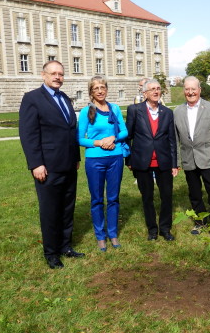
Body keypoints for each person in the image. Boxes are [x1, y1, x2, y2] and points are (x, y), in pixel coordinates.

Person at [19, 60, 83, 269]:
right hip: (47, 167)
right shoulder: (32, 98)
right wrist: (36, 164)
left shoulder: (64, 98)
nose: (58, 77)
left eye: (61, 74)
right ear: (43, 75)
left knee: (67, 207)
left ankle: (65, 246)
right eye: (54, 73)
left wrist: (76, 158)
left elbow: (70, 130)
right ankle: (51, 253)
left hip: (68, 164)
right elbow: (28, 134)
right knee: (50, 210)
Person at [78, 77, 128, 252]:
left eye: (102, 87)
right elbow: (79, 138)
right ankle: (100, 235)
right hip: (95, 160)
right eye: (96, 88)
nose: (100, 91)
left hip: (115, 158)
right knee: (97, 199)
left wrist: (113, 137)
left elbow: (125, 131)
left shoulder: (115, 108)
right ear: (91, 92)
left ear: (107, 89)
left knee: (113, 198)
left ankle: (112, 233)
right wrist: (99, 143)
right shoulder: (86, 111)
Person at [126, 79, 179, 241]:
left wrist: (174, 163)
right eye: (152, 89)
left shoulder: (167, 112)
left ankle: (165, 229)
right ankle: (152, 230)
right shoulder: (135, 110)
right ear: (145, 93)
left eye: (158, 88)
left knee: (166, 196)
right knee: (147, 197)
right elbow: (128, 136)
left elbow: (172, 140)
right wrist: (129, 160)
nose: (156, 91)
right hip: (142, 162)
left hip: (164, 162)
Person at [174, 76, 210, 235]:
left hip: (208, 158)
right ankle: (200, 221)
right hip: (188, 159)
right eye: (187, 89)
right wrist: (176, 162)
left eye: (193, 89)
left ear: (200, 90)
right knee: (194, 193)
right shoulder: (177, 111)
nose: (190, 92)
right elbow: (175, 139)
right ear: (184, 91)